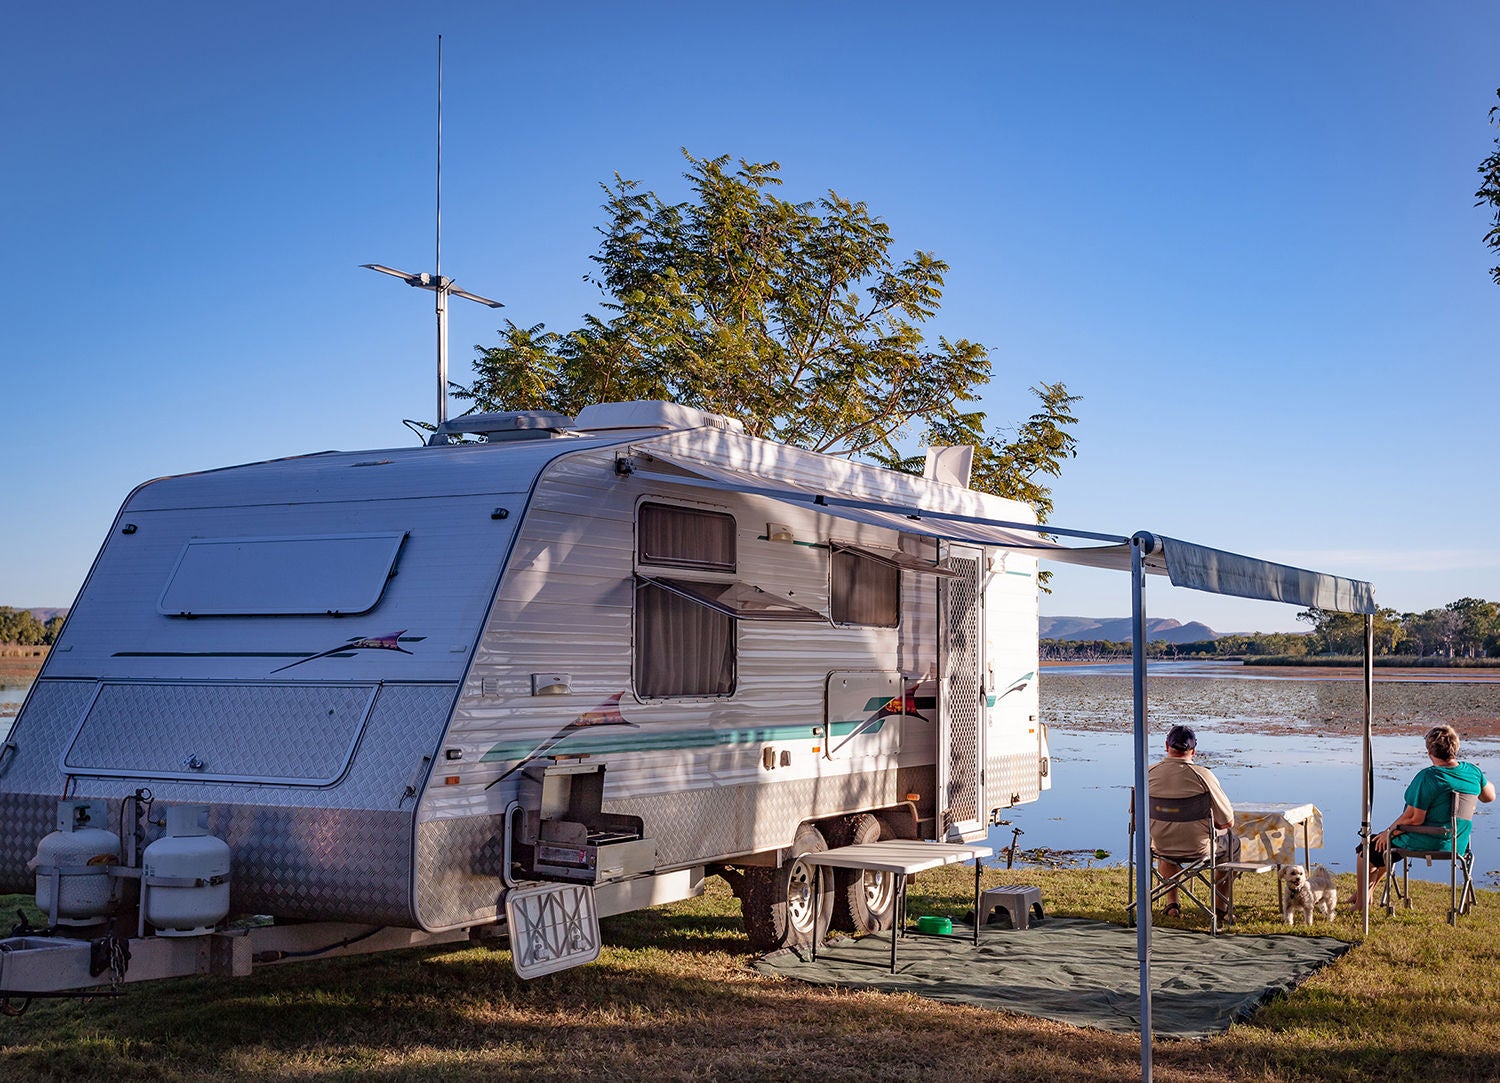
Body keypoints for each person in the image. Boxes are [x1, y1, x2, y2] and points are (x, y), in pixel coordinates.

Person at [1352, 724, 1495, 910]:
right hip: (1457, 843)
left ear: (1429, 752)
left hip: (1426, 840)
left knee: (1368, 848)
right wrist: (1478, 779)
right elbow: (1489, 796)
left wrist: (1388, 832)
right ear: (1456, 748)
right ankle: (1366, 891)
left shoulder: (1429, 776)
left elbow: (1414, 819)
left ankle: (1361, 903)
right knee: (1384, 844)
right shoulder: (1473, 772)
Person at [1148, 724, 1239, 919]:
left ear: (1166, 746)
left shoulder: (1146, 774)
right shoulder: (1203, 775)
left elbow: (1136, 818)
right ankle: (1220, 908)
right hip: (1199, 849)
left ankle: (1171, 903)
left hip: (1161, 846)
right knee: (1233, 843)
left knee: (1166, 840)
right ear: (1194, 751)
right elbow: (1226, 823)